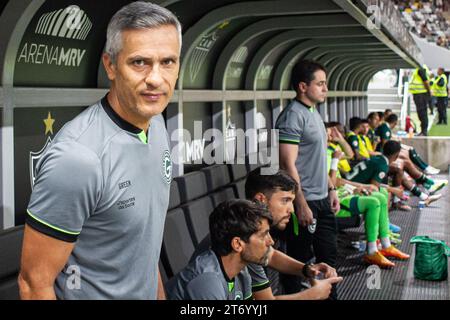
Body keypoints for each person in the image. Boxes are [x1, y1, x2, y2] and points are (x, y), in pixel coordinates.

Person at [18, 2, 181, 300]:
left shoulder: (155, 125)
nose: (156, 78)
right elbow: (33, 284)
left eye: (168, 62)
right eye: (139, 62)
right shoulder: (78, 158)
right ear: (110, 65)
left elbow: (143, 252)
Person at [191, 168, 343, 300]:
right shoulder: (245, 243)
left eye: (292, 201)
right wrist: (311, 295)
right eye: (285, 200)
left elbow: (271, 255)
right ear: (261, 200)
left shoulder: (247, 232)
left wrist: (307, 269)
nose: (291, 209)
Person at [275, 60, 340, 298]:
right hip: (303, 202)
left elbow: (317, 158)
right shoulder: (292, 116)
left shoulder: (313, 112)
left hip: (322, 199)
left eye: (325, 83)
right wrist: (299, 202)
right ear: (303, 86)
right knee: (297, 262)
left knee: (328, 259)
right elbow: (286, 163)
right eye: (320, 84)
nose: (325, 89)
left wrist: (331, 188)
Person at [327, 138, 410, 268]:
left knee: (381, 196)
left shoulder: (330, 150)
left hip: (345, 191)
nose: (330, 135)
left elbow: (340, 178)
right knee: (373, 202)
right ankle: (371, 251)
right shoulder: (323, 155)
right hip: (335, 199)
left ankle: (386, 244)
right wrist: (334, 160)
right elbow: (331, 183)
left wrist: (362, 186)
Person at [166, 200, 272, 300]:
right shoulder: (207, 282)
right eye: (263, 236)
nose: (271, 242)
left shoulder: (242, 273)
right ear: (237, 244)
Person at [409, 65, 432, 135]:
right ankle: (423, 131)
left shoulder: (420, 68)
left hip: (420, 94)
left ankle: (424, 131)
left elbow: (425, 81)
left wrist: (429, 91)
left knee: (422, 113)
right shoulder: (422, 68)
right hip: (419, 94)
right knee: (422, 112)